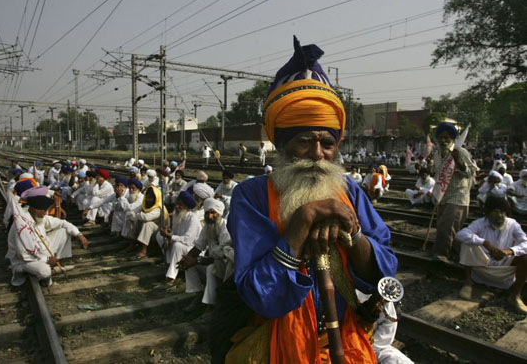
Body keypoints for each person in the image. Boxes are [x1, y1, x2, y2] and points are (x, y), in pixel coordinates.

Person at [219, 36, 397, 364]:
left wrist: (353, 233)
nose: (317, 154)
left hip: (347, 342)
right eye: (304, 141)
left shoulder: (350, 190)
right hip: (279, 344)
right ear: (282, 144)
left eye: (327, 142)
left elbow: (385, 269)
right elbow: (261, 294)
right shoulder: (253, 195)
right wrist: (299, 225)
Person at [455, 197, 527, 313]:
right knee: (466, 243)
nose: (499, 215)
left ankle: (515, 296)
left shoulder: (512, 224)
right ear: (488, 213)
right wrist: (485, 243)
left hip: (504, 269)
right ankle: (468, 284)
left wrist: (509, 251)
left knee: (525, 256)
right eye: (495, 211)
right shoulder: (480, 223)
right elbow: (460, 234)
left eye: (502, 212)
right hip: (482, 267)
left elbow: (525, 242)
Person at [7, 188, 88, 287]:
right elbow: (23, 254)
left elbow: (63, 222)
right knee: (44, 271)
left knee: (63, 230)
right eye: (44, 210)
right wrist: (46, 260)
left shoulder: (39, 217)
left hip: (41, 253)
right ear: (34, 209)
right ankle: (51, 271)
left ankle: (55, 264)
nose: (46, 213)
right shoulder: (21, 226)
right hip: (25, 261)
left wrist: (79, 234)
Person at [179, 198, 234, 309]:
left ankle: (210, 306)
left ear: (220, 214)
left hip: (226, 268)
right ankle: (198, 295)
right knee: (189, 262)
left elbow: (222, 257)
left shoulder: (226, 229)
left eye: (213, 213)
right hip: (213, 263)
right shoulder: (208, 227)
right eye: (207, 213)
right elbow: (198, 247)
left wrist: (197, 260)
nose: (209, 216)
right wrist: (186, 259)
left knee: (210, 268)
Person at [432, 122, 475, 261]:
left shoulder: (460, 152)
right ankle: (455, 254)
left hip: (458, 195)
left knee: (447, 227)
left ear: (452, 139)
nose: (443, 141)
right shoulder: (437, 153)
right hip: (443, 195)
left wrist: (458, 161)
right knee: (443, 227)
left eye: (447, 138)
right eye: (441, 138)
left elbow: (470, 173)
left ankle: (442, 256)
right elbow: (438, 174)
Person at [127, 186, 168, 258]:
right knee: (135, 220)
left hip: (159, 232)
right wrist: (135, 216)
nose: (148, 200)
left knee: (148, 223)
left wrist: (137, 215)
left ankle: (144, 250)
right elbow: (131, 212)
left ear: (156, 198)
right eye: (147, 197)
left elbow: (147, 217)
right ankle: (132, 243)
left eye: (151, 198)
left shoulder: (159, 207)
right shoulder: (144, 204)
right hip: (147, 232)